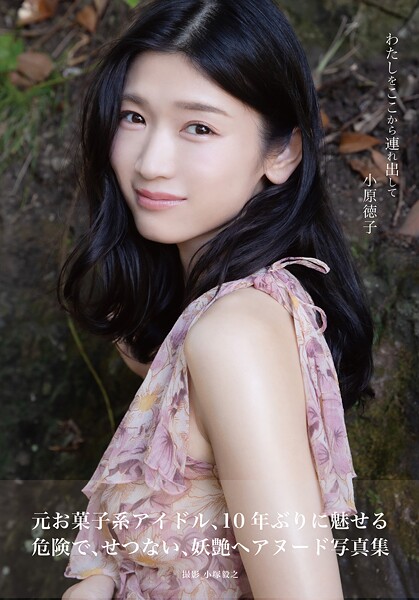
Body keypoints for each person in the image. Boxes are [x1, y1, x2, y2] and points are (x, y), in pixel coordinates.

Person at [59, 0, 373, 598]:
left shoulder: (234, 336)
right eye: (133, 116)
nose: (151, 163)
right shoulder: (200, 319)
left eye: (198, 127)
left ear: (282, 153)